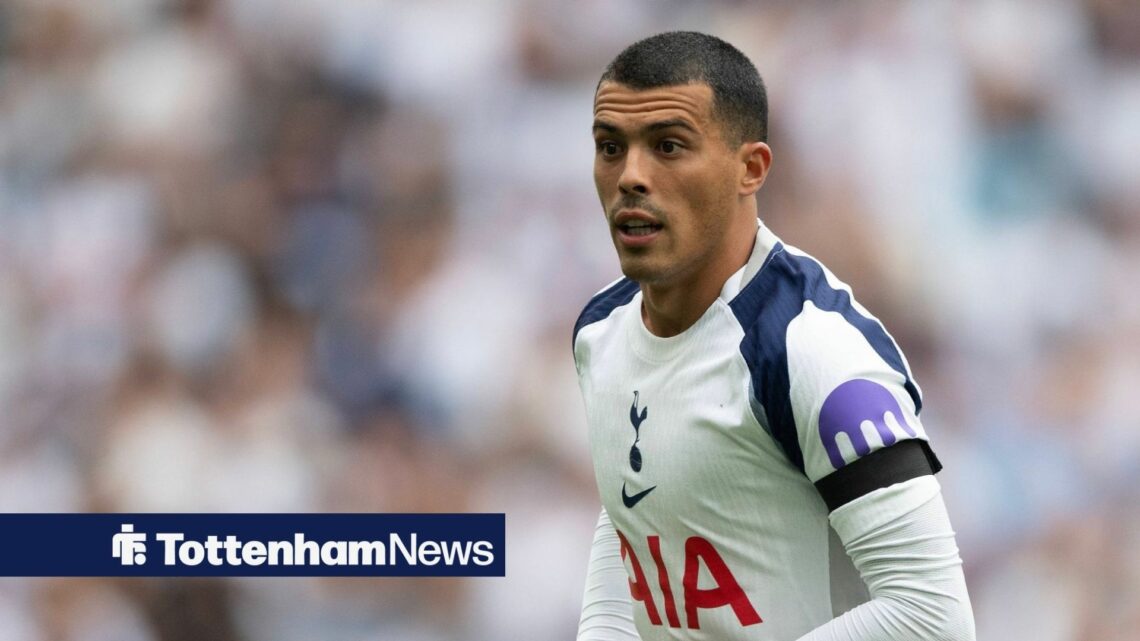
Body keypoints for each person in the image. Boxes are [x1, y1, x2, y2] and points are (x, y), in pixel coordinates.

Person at [572, 32, 975, 641]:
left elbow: (930, 616)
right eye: (610, 147)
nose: (630, 176)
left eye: (669, 146)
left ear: (750, 168)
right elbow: (634, 514)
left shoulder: (811, 351)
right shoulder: (599, 333)